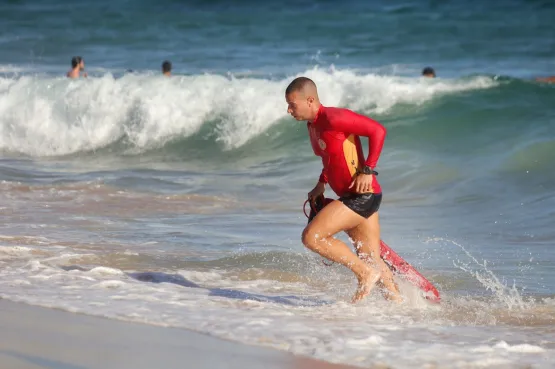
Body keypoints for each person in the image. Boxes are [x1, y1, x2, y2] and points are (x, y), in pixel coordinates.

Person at [285, 77, 401, 303]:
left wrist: (368, 170)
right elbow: (331, 158)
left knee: (312, 237)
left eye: (292, 104)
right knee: (371, 258)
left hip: (361, 197)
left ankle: (364, 274)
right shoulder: (313, 126)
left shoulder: (334, 117)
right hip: (354, 197)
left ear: (310, 100)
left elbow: (378, 130)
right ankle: (402, 310)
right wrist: (322, 182)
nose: (289, 110)